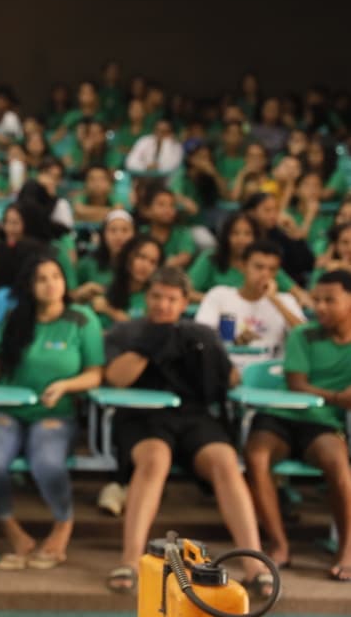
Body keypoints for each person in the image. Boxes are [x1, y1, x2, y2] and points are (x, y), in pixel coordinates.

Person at [102, 267, 273, 598]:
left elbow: (230, 381)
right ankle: (130, 559)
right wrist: (150, 344)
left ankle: (254, 564)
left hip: (192, 416)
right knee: (155, 460)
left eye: (171, 299)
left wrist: (207, 353)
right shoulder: (127, 332)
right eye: (156, 297)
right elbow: (116, 379)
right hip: (142, 418)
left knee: (225, 461)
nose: (163, 305)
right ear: (145, 297)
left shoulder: (200, 334)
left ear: (184, 303)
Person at [0, 256, 104, 569]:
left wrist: (67, 385)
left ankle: (62, 527)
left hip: (54, 414)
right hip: (7, 410)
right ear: (30, 286)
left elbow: (96, 373)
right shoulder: (16, 319)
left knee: (46, 463)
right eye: (41, 278)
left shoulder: (82, 319)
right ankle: (13, 531)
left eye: (56, 276)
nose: (51, 283)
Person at [244, 269, 351, 581]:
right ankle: (278, 545)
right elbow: (296, 384)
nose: (319, 307)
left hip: (322, 425)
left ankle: (346, 548)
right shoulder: (303, 335)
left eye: (329, 300)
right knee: (256, 455)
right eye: (316, 300)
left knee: (338, 464)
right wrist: (336, 396)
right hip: (280, 416)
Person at [194, 240, 304, 361]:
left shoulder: (286, 301)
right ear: (243, 266)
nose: (265, 274)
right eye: (259, 267)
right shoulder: (219, 295)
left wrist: (274, 300)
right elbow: (201, 337)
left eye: (272, 269)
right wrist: (233, 343)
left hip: (270, 373)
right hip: (227, 369)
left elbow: (305, 337)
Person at [91, 234, 163, 327]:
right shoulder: (107, 291)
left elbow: (141, 330)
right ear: (128, 256)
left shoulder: (155, 298)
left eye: (153, 262)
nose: (145, 266)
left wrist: (109, 310)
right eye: (141, 257)